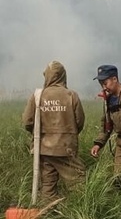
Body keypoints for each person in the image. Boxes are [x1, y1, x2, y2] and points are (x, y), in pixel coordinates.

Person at [21, 61, 86, 201]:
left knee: (47, 186)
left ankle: (48, 215)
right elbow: (80, 122)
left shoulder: (38, 95)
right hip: (65, 148)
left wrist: (40, 134)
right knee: (78, 182)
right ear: (63, 76)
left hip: (43, 149)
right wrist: (69, 134)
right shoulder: (71, 95)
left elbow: (27, 121)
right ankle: (81, 211)